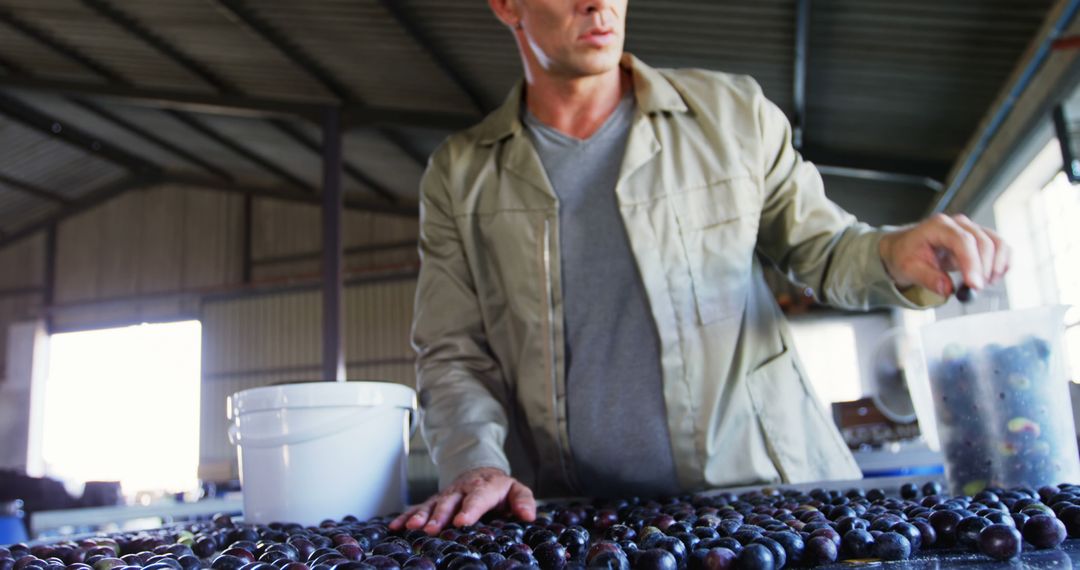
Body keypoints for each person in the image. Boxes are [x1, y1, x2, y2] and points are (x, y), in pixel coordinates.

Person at [390, 0, 1011, 536]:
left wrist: (892, 254)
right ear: (506, 5)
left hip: (765, 499)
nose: (598, 5)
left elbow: (824, 250)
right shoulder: (463, 174)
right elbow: (453, 353)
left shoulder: (731, 116)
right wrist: (475, 462)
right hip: (575, 519)